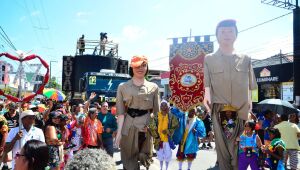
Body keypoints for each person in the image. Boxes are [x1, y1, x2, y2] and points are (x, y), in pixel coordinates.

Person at [203, 19, 257, 170]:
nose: (226, 34)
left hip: (241, 109)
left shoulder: (245, 59)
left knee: (239, 146)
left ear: (236, 35)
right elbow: (206, 83)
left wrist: (250, 102)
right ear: (217, 35)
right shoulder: (209, 59)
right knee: (222, 149)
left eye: (230, 31)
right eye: (223, 32)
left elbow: (251, 84)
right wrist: (206, 97)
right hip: (219, 109)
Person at [115, 55, 160, 170]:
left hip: (146, 128)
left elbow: (157, 113)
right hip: (128, 127)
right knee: (128, 161)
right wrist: (119, 134)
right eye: (137, 66)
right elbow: (120, 113)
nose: (140, 68)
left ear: (147, 67)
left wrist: (153, 129)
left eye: (143, 65)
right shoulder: (122, 87)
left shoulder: (154, 87)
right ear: (131, 68)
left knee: (146, 160)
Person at [149, 100, 179, 170]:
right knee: (160, 155)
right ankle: (161, 168)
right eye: (162, 105)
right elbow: (151, 125)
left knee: (167, 155)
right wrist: (155, 132)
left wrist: (168, 131)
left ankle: (167, 168)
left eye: (165, 105)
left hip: (167, 140)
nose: (163, 106)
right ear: (160, 107)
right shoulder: (156, 116)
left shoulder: (171, 116)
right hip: (159, 140)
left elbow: (176, 125)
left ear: (168, 106)